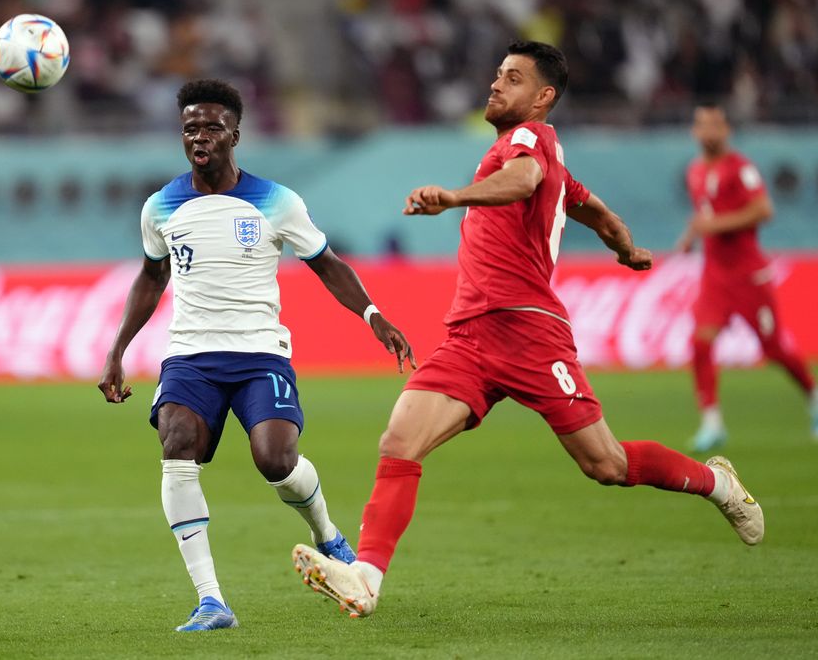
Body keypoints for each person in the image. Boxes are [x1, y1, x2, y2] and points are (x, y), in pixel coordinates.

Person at [290, 41, 764, 619]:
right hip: (470, 335)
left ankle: (716, 484)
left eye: (511, 78)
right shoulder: (541, 161)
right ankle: (366, 577)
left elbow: (523, 179)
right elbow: (597, 212)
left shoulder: (532, 141)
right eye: (496, 74)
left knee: (606, 465)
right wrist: (627, 249)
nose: (495, 85)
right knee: (399, 441)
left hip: (529, 332)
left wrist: (455, 197)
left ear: (542, 98)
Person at [98, 79, 415, 632]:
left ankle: (327, 535)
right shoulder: (161, 206)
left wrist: (372, 315)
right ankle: (211, 601)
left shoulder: (276, 200)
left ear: (235, 134)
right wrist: (118, 350)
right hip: (190, 356)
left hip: (259, 354)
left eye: (212, 127)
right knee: (176, 444)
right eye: (190, 127)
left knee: (276, 460)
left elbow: (327, 264)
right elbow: (151, 278)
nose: (200, 136)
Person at [677, 105, 818, 452]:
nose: (709, 131)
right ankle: (712, 422)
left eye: (715, 124)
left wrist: (712, 226)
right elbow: (705, 213)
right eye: (702, 125)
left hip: (749, 275)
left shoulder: (741, 168)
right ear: (695, 132)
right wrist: (691, 237)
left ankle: (815, 393)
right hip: (715, 275)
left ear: (726, 130)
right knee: (701, 343)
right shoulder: (696, 171)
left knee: (772, 349)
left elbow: (763, 210)